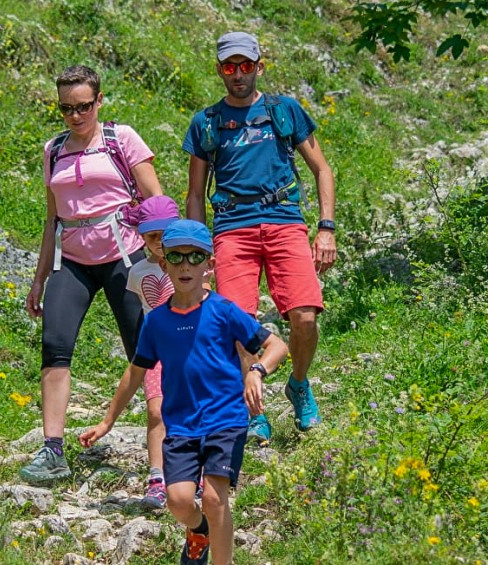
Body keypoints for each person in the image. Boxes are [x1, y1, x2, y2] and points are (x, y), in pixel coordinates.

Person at [79, 219, 288, 565]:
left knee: (214, 496)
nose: (186, 265)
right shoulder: (156, 321)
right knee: (178, 500)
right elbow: (135, 371)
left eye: (195, 257)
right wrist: (106, 422)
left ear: (210, 264)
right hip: (182, 427)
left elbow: (276, 344)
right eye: (176, 258)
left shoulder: (223, 311)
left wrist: (256, 370)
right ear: (163, 264)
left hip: (225, 420)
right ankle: (200, 529)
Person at [183, 31, 337, 443]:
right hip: (232, 228)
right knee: (239, 324)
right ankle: (253, 411)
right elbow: (195, 194)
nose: (238, 74)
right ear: (219, 70)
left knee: (304, 316)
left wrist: (326, 228)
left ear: (259, 67)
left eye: (246, 66)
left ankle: (299, 385)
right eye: (230, 67)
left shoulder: (285, 111)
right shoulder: (207, 123)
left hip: (286, 222)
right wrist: (199, 254)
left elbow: (322, 169)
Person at [21, 64, 163, 485]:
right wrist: (39, 277)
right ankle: (52, 449)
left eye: (84, 106)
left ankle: (168, 452)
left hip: (126, 254)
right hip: (74, 261)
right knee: (55, 344)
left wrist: (170, 258)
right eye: (66, 109)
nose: (76, 116)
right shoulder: (53, 150)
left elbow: (156, 201)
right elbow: (52, 219)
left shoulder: (123, 139)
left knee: (147, 350)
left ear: (99, 101)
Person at [124, 195, 181, 509]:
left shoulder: (192, 262)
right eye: (152, 237)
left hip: (189, 350)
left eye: (165, 234)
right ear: (142, 238)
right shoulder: (137, 273)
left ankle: (193, 474)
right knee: (156, 411)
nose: (159, 243)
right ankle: (157, 478)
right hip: (157, 351)